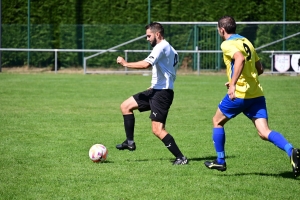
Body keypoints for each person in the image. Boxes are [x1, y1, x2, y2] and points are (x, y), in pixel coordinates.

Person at [204, 16, 300, 177]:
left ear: (222, 30)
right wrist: (238, 78)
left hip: (240, 94)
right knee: (264, 132)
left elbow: (239, 58)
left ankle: (220, 161)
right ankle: (292, 150)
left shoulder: (227, 44)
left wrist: (233, 83)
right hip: (256, 94)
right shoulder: (247, 41)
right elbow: (260, 69)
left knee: (217, 121)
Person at [115, 22, 188, 165]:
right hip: (156, 90)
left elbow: (146, 64)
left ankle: (181, 158)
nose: (147, 39)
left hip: (162, 94)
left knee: (157, 129)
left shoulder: (161, 47)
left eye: (149, 36)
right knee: (125, 106)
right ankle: (129, 142)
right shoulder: (171, 49)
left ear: (158, 34)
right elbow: (167, 71)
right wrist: (155, 85)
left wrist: (125, 64)